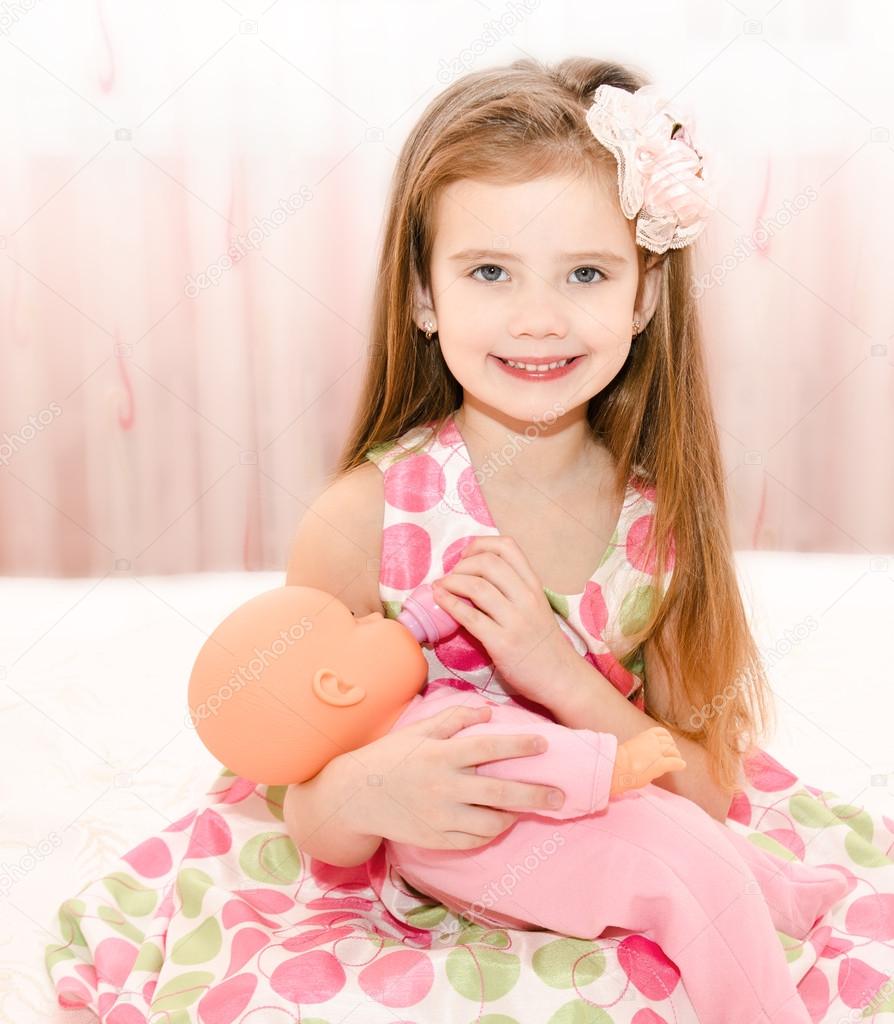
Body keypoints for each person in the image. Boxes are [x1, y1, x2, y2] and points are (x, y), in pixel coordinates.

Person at [46, 58, 894, 1024]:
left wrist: (561, 677)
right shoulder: (362, 520)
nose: (539, 317)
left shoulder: (659, 528)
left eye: (586, 273)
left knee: (702, 942)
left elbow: (698, 787)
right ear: (423, 294)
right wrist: (369, 790)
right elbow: (304, 806)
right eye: (490, 271)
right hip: (402, 882)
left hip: (609, 857)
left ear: (644, 298)